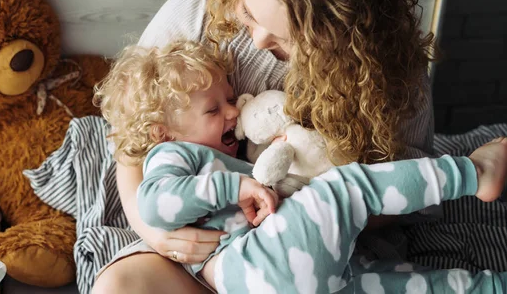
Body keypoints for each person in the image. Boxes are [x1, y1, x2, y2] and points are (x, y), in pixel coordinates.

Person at [94, 0, 436, 292]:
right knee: (119, 285)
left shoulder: (392, 76)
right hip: (209, 246)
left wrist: (306, 197)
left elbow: (413, 191)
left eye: (285, 39)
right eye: (249, 15)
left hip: (323, 251)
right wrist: (152, 230)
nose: (256, 41)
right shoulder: (198, 12)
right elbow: (130, 138)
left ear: (345, 43)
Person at [93, 40, 507, 293]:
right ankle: (472, 173)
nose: (234, 111)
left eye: (231, 97)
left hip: (294, 273)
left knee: (407, 284)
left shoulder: (227, 152)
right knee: (347, 188)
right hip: (251, 269)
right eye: (213, 109)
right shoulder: (171, 155)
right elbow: (155, 206)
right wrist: (232, 188)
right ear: (164, 132)